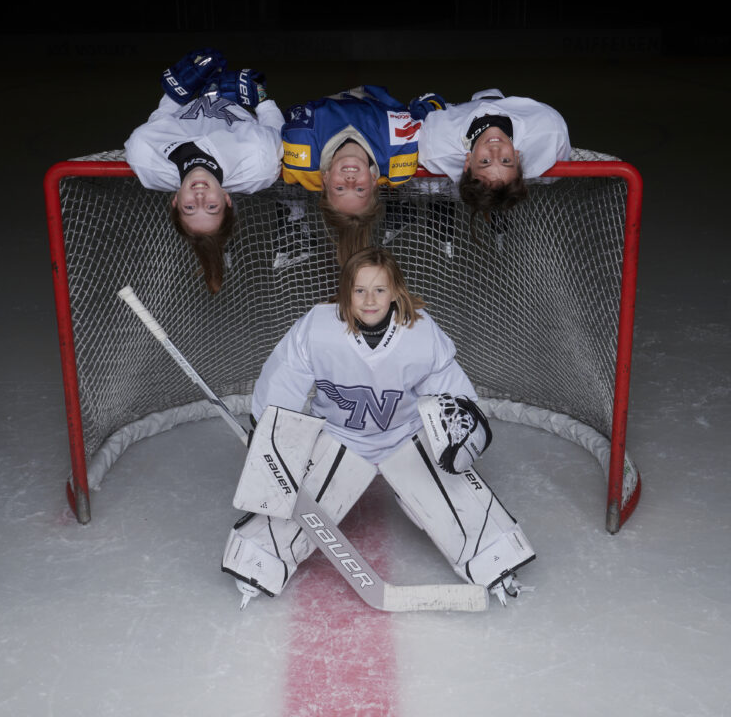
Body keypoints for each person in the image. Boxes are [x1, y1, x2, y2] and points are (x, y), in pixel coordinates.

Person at [222, 247, 535, 608]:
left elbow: (456, 397)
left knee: (458, 500)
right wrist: (270, 437)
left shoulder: (420, 333)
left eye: (380, 290)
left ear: (396, 292)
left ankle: (495, 560)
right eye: (359, 290)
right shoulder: (318, 328)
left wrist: (460, 434)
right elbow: (282, 382)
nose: (370, 300)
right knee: (291, 502)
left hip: (403, 435)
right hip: (339, 437)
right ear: (345, 292)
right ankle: (259, 563)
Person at [124, 48, 284, 293]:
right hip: (235, 100)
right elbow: (278, 133)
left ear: (175, 201)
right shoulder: (257, 163)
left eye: (190, 208)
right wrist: (259, 96)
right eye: (211, 207)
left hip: (195, 97)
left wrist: (177, 92)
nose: (199, 197)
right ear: (228, 199)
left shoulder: (145, 157)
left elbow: (160, 121)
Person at [281, 87, 422, 265]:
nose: (350, 181)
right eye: (359, 189)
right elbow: (430, 107)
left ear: (324, 180)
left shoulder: (301, 145)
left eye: (340, 188)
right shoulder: (401, 151)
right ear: (373, 181)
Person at [418, 88, 571, 223]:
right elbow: (553, 173)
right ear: (517, 158)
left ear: (468, 161)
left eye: (485, 161)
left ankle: (447, 197)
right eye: (506, 160)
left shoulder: (435, 141)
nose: (495, 150)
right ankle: (493, 203)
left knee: (428, 184)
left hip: (451, 142)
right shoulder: (548, 128)